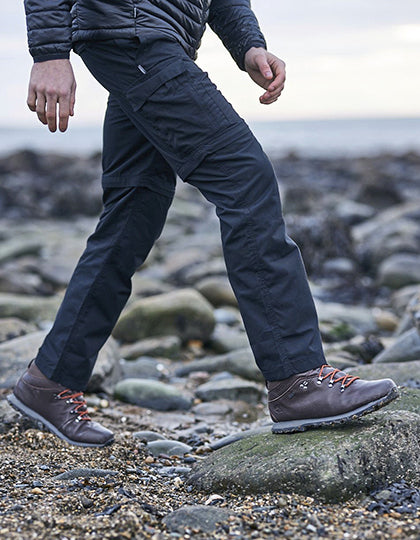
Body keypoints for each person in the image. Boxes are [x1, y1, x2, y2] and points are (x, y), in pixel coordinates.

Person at [9, 0, 398, 447]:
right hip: (132, 34)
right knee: (244, 177)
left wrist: (249, 45)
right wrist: (49, 52)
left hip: (147, 38)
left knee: (131, 218)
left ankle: (49, 381)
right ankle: (297, 378)